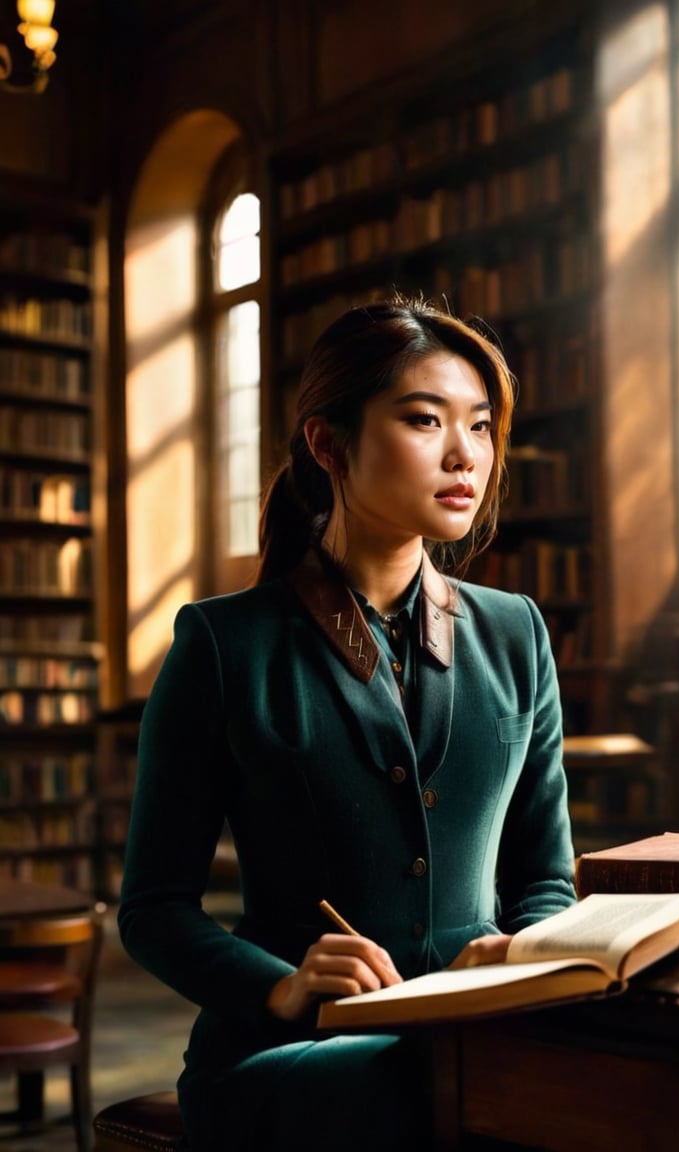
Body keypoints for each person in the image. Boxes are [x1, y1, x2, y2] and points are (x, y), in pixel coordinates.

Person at [118, 294, 577, 1151]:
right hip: (287, 1053)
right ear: (329, 444)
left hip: (472, 1032)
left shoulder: (516, 632)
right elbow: (153, 909)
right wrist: (283, 986)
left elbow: (545, 876)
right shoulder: (225, 644)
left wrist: (521, 950)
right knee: (437, 1089)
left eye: (480, 428)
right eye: (423, 420)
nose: (464, 456)